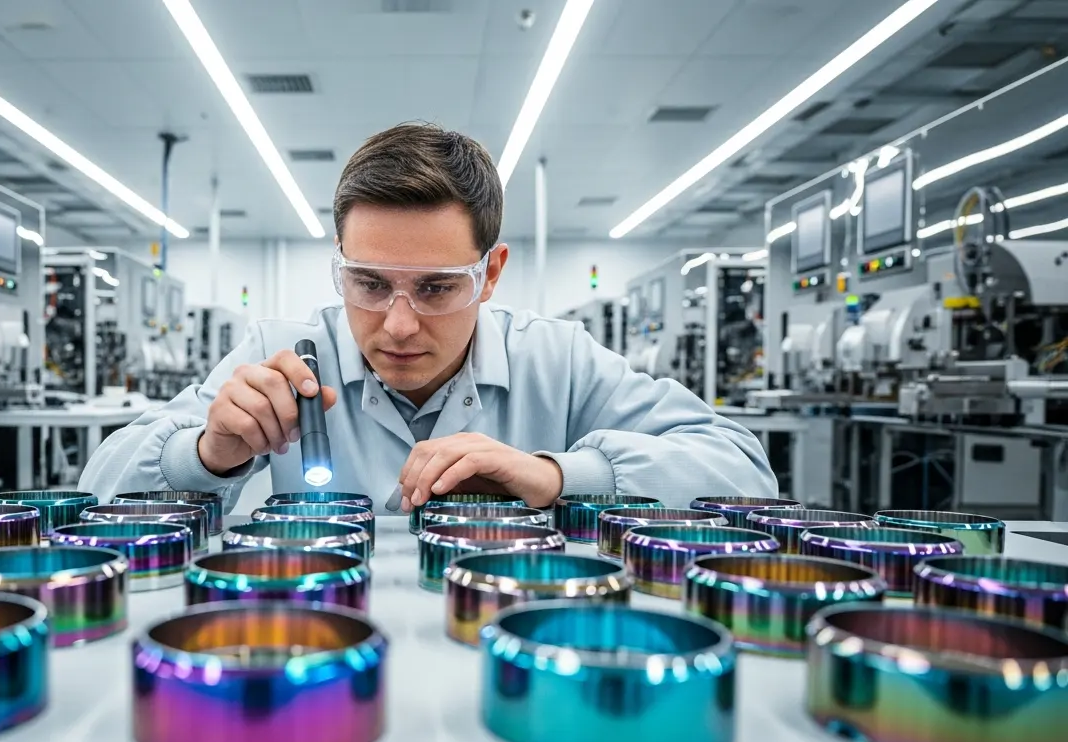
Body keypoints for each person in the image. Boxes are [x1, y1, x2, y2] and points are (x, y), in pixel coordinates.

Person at [79, 123, 777, 513]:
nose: (400, 324)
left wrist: (559, 473)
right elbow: (95, 487)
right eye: (369, 284)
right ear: (341, 267)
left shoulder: (556, 360)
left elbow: (743, 467)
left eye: (439, 288)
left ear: (491, 272)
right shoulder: (279, 353)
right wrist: (204, 453)